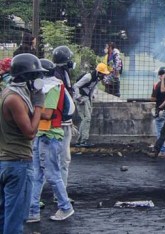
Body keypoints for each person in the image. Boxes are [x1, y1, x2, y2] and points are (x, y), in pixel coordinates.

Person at [0, 54, 45, 232]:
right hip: (17, 163)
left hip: (5, 162)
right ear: (26, 78)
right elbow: (30, 133)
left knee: (4, 214)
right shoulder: (15, 99)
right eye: (35, 76)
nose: (37, 81)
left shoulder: (7, 92)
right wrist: (39, 106)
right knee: (15, 217)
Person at [27, 59, 74, 223]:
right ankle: (32, 211)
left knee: (52, 174)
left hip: (50, 135)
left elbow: (47, 113)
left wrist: (29, 108)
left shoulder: (53, 87)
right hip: (42, 134)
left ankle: (66, 207)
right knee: (35, 174)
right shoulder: (46, 87)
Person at [51, 45, 76, 188]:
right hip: (60, 122)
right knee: (61, 159)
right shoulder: (58, 75)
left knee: (61, 159)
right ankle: (60, 194)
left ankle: (60, 192)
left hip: (63, 120)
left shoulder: (63, 72)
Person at [73, 63, 110, 147]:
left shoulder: (96, 78)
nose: (104, 76)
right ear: (99, 72)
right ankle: (82, 141)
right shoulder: (88, 77)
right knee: (87, 118)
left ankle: (80, 141)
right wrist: (78, 97)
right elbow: (75, 86)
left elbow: (91, 88)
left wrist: (91, 97)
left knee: (86, 119)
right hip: (82, 98)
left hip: (86, 98)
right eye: (103, 74)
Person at [150, 67, 165, 158]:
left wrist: (160, 106)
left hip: (161, 110)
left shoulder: (158, 85)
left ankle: (162, 151)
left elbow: (153, 98)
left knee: (160, 131)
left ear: (160, 75)